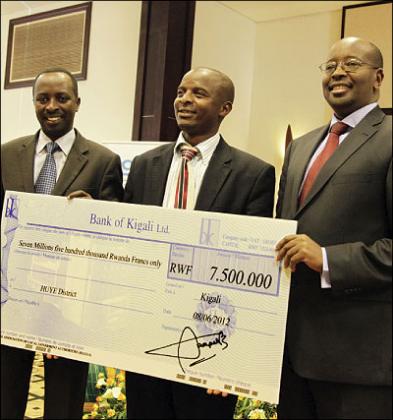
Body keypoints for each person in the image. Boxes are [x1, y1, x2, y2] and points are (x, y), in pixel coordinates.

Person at [123, 67, 276, 419]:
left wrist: (232, 359)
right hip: (145, 331)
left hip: (208, 338)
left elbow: (250, 272)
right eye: (180, 91)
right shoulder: (146, 165)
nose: (184, 100)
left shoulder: (253, 174)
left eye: (198, 93)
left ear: (225, 108)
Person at [275, 37, 392, 419]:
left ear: (378, 78)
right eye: (330, 66)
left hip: (357, 359)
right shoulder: (300, 146)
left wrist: (326, 258)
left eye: (352, 63)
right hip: (288, 354)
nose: (338, 72)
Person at [1, 68, 124, 419]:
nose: (51, 106)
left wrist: (94, 216)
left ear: (77, 103)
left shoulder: (103, 162)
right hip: (11, 302)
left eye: (61, 98)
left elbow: (115, 241)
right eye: (43, 98)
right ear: (34, 103)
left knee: (63, 405)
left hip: (70, 310)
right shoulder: (7, 154)